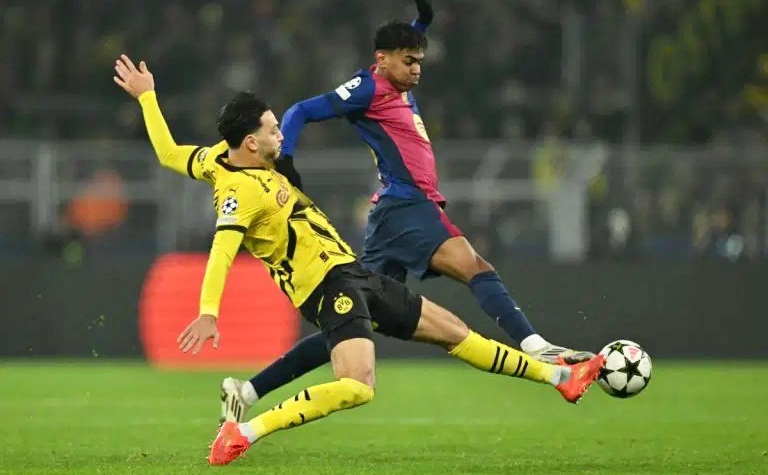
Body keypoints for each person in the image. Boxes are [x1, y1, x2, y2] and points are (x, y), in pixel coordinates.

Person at [113, 54, 605, 466]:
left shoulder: (217, 157)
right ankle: (244, 432)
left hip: (351, 273)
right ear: (251, 143)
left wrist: (147, 98)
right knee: (357, 386)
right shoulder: (239, 193)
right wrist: (208, 311)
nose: (282, 135)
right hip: (325, 287)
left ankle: (561, 378)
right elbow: (222, 251)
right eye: (273, 130)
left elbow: (169, 153)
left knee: (454, 331)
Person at [222, 0, 594, 424]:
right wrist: (285, 160)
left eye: (420, 61)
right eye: (409, 61)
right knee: (475, 266)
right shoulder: (367, 87)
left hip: (391, 215)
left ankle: (249, 390)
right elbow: (300, 111)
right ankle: (537, 346)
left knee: (354, 320)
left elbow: (404, 45)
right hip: (407, 204)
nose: (417, 70)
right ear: (382, 60)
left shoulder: (396, 79)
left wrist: (422, 22)